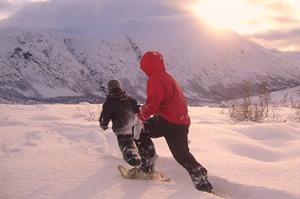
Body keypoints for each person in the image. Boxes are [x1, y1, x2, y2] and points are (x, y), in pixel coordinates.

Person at [135, 50, 214, 193]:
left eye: (143, 66)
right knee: (181, 154)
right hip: (181, 122)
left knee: (139, 130)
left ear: (147, 65)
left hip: (168, 120)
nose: (143, 69)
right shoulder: (168, 77)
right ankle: (201, 178)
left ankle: (147, 168)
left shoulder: (155, 78)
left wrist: (140, 116)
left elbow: (153, 104)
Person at [99, 79, 156, 169]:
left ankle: (134, 167)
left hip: (123, 130)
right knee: (143, 147)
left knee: (128, 151)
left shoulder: (109, 102)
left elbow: (104, 118)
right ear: (120, 87)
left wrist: (103, 125)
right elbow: (137, 110)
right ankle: (148, 165)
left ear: (109, 89)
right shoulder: (129, 99)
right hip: (136, 128)